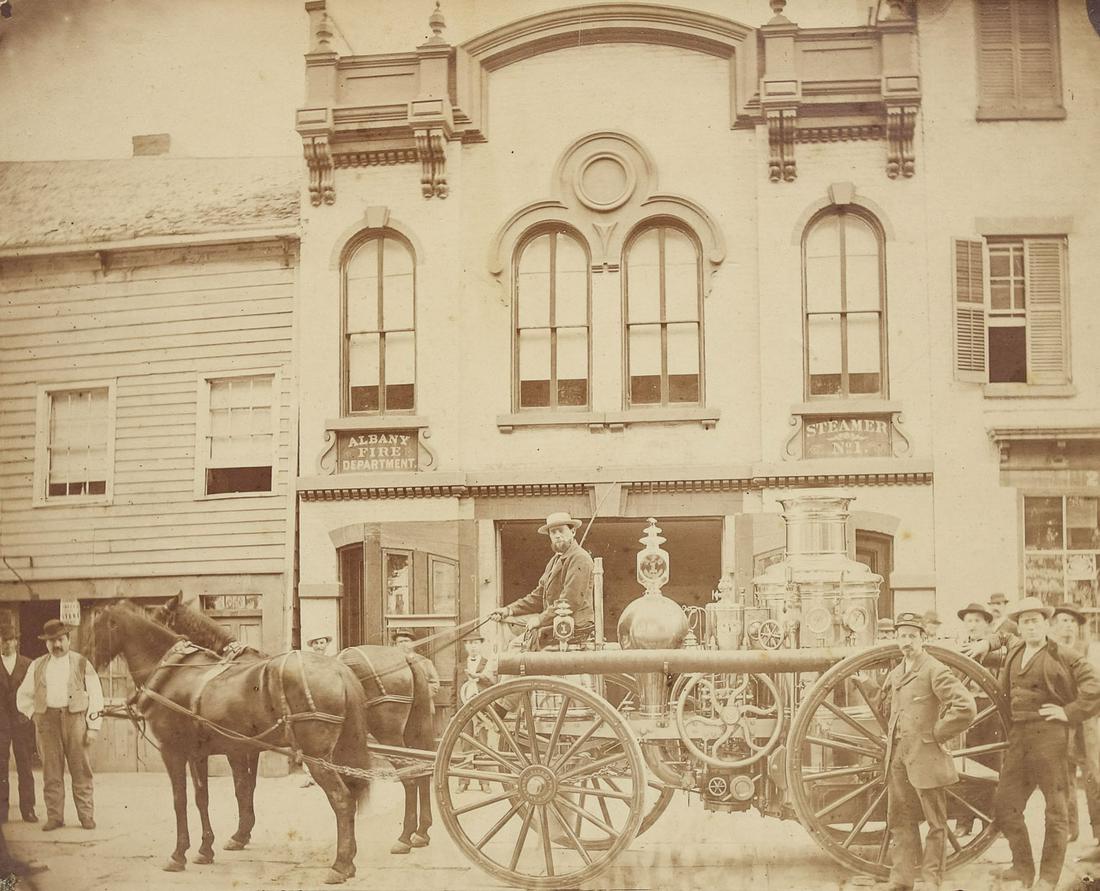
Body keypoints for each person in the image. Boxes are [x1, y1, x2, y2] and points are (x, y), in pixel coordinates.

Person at [991, 597, 1100, 891]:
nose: (1031, 627)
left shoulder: (1062, 655)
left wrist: (1068, 712)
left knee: (1055, 810)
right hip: (1019, 738)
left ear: (1045, 624)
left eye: (1036, 621)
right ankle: (1022, 868)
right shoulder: (1015, 653)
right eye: (1025, 622)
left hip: (1051, 737)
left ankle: (1048, 877)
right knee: (1005, 804)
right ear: (1020, 627)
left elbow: (1094, 686)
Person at [880, 611, 977, 891]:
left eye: (912, 636)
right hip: (898, 756)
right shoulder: (897, 672)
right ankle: (901, 879)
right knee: (899, 818)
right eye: (902, 636)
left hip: (926, 755)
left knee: (935, 823)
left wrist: (938, 733)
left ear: (923, 638)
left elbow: (965, 706)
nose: (906, 641)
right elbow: (887, 708)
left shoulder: (934, 669)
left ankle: (932, 880)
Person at [16, 619, 104, 832]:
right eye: (51, 641)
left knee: (81, 770)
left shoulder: (83, 663)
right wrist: (34, 715)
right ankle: (55, 817)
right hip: (47, 723)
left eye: (60, 640)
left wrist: (93, 726)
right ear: (46, 643)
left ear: (68, 639)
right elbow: (23, 695)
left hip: (75, 721)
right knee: (51, 772)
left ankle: (86, 816)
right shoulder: (37, 665)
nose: (56, 645)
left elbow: (96, 695)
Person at [489, 512, 594, 648]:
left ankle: (501, 667)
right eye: (553, 532)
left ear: (573, 531)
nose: (557, 535)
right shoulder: (554, 561)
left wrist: (539, 620)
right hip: (554, 620)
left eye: (561, 531)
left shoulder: (580, 558)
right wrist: (509, 610)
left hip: (573, 625)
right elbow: (538, 596)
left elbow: (569, 601)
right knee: (506, 621)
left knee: (514, 647)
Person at [1050, 603, 1100, 853]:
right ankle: (1071, 828)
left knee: (1093, 772)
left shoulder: (1088, 650)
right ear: (1054, 624)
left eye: (1071, 621)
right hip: (1059, 718)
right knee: (1063, 774)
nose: (1066, 625)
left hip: (1086, 719)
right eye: (1061, 620)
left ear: (1077, 626)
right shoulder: (1050, 651)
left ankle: (1099, 830)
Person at [0, 626, 36, 824]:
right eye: (2, 640)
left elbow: (34, 693)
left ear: (16, 641)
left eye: (9, 640)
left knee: (25, 765)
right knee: (0, 766)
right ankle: (2, 811)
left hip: (21, 722)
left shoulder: (28, 665)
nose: (6, 644)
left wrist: (28, 714)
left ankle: (28, 809)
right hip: (0, 724)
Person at [456, 632, 494, 794]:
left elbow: (493, 686)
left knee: (482, 746)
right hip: (464, 711)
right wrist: (454, 713)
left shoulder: (488, 665)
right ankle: (463, 781)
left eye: (475, 643)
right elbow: (453, 691)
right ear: (465, 646)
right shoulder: (459, 667)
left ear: (481, 645)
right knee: (465, 745)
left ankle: (484, 782)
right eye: (469, 643)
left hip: (481, 712)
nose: (472, 646)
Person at [394, 629, 441, 702]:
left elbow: (434, 684)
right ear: (395, 645)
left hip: (421, 704)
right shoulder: (392, 664)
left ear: (413, 644)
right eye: (400, 642)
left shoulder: (425, 662)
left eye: (406, 641)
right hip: (400, 705)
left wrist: (421, 696)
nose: (403, 644)